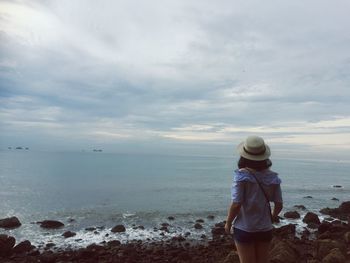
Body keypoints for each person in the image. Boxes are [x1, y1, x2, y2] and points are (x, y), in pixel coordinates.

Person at [225, 136, 283, 263]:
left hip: (244, 227)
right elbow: (279, 204)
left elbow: (236, 204)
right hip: (265, 228)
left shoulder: (241, 176)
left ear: (244, 156)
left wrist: (228, 223)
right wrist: (272, 216)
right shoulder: (273, 177)